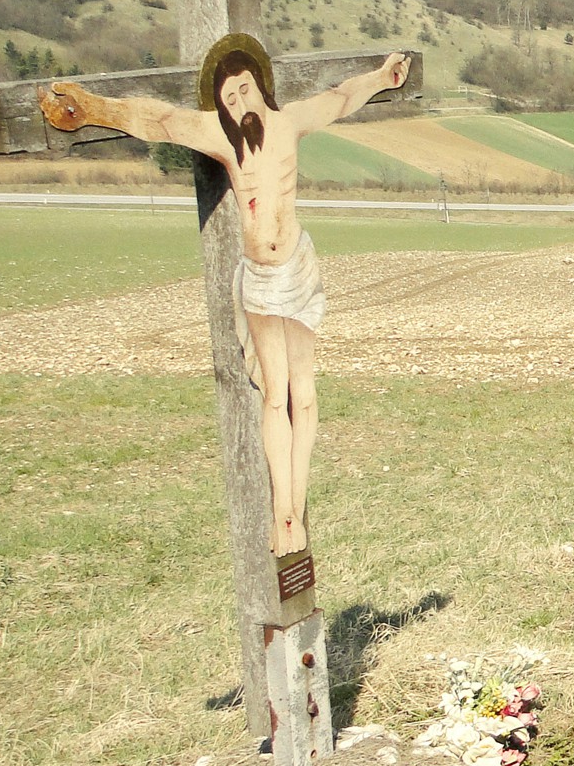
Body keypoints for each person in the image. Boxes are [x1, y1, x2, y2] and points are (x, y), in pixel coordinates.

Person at [39, 35, 410, 556]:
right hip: (260, 279)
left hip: (298, 269)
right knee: (273, 393)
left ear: (260, 84)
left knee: (304, 395)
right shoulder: (220, 136)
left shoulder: (289, 122)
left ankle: (293, 507)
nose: (240, 104)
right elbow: (159, 119)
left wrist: (381, 77)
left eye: (244, 90)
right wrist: (95, 109)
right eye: (230, 99)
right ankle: (283, 515)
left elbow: (340, 98)